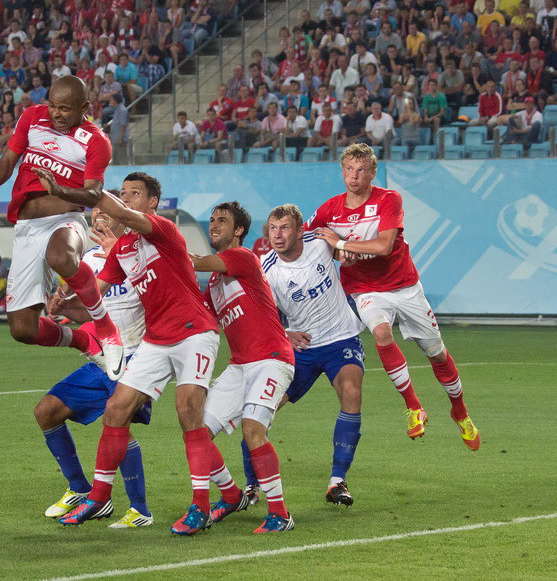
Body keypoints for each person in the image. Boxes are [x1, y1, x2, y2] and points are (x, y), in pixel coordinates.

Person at [56, 173, 221, 536]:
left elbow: (128, 218)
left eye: (135, 194)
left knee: (188, 411)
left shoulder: (162, 229)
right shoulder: (121, 249)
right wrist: (64, 302)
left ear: (152, 202)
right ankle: (98, 496)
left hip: (195, 333)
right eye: (124, 193)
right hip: (157, 340)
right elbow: (92, 299)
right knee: (115, 410)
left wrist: (89, 192)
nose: (128, 199)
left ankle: (201, 507)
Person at [309, 144, 480, 449]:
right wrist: (336, 253)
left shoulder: (389, 199)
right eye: (349, 169)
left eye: (361, 170)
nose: (354, 176)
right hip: (366, 290)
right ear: (342, 171)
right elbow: (309, 240)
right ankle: (414, 406)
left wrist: (342, 244)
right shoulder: (329, 210)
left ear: (372, 173)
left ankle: (460, 411)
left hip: (404, 287)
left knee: (436, 354)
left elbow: (384, 246)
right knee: (381, 333)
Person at [0, 75, 124, 378]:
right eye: (53, 106)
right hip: (27, 228)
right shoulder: (32, 118)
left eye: (65, 109)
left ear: (85, 107)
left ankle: (106, 328)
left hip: (65, 221)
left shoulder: (97, 141)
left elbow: (94, 194)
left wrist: (59, 190)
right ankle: (83, 339)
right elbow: (7, 161)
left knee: (60, 256)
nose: (56, 113)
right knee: (22, 329)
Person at [38, 199, 152, 528]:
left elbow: (158, 296)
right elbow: (88, 310)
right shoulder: (86, 259)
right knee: (46, 411)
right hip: (100, 359)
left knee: (118, 426)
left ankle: (140, 509)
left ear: (121, 217)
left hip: (135, 357)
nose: (97, 216)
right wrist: (62, 304)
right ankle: (79, 489)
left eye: (104, 211)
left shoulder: (136, 253)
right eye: (95, 213)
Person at [190, 202, 296, 533]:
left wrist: (162, 249)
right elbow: (196, 315)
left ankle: (280, 514)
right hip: (239, 367)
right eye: (211, 220)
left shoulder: (244, 258)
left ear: (238, 231)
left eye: (222, 220)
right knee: (197, 433)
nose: (214, 225)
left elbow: (194, 262)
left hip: (272, 360)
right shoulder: (216, 285)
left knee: (253, 429)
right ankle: (232, 494)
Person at [252, 204, 365, 506]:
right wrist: (286, 333)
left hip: (340, 338)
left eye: (285, 228)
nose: (277, 235)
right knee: (262, 410)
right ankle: (252, 486)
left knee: (352, 392)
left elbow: (346, 249)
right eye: (273, 228)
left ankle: (337, 481)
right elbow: (259, 311)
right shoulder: (267, 267)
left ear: (300, 230)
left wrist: (345, 251)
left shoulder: (320, 243)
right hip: (300, 348)